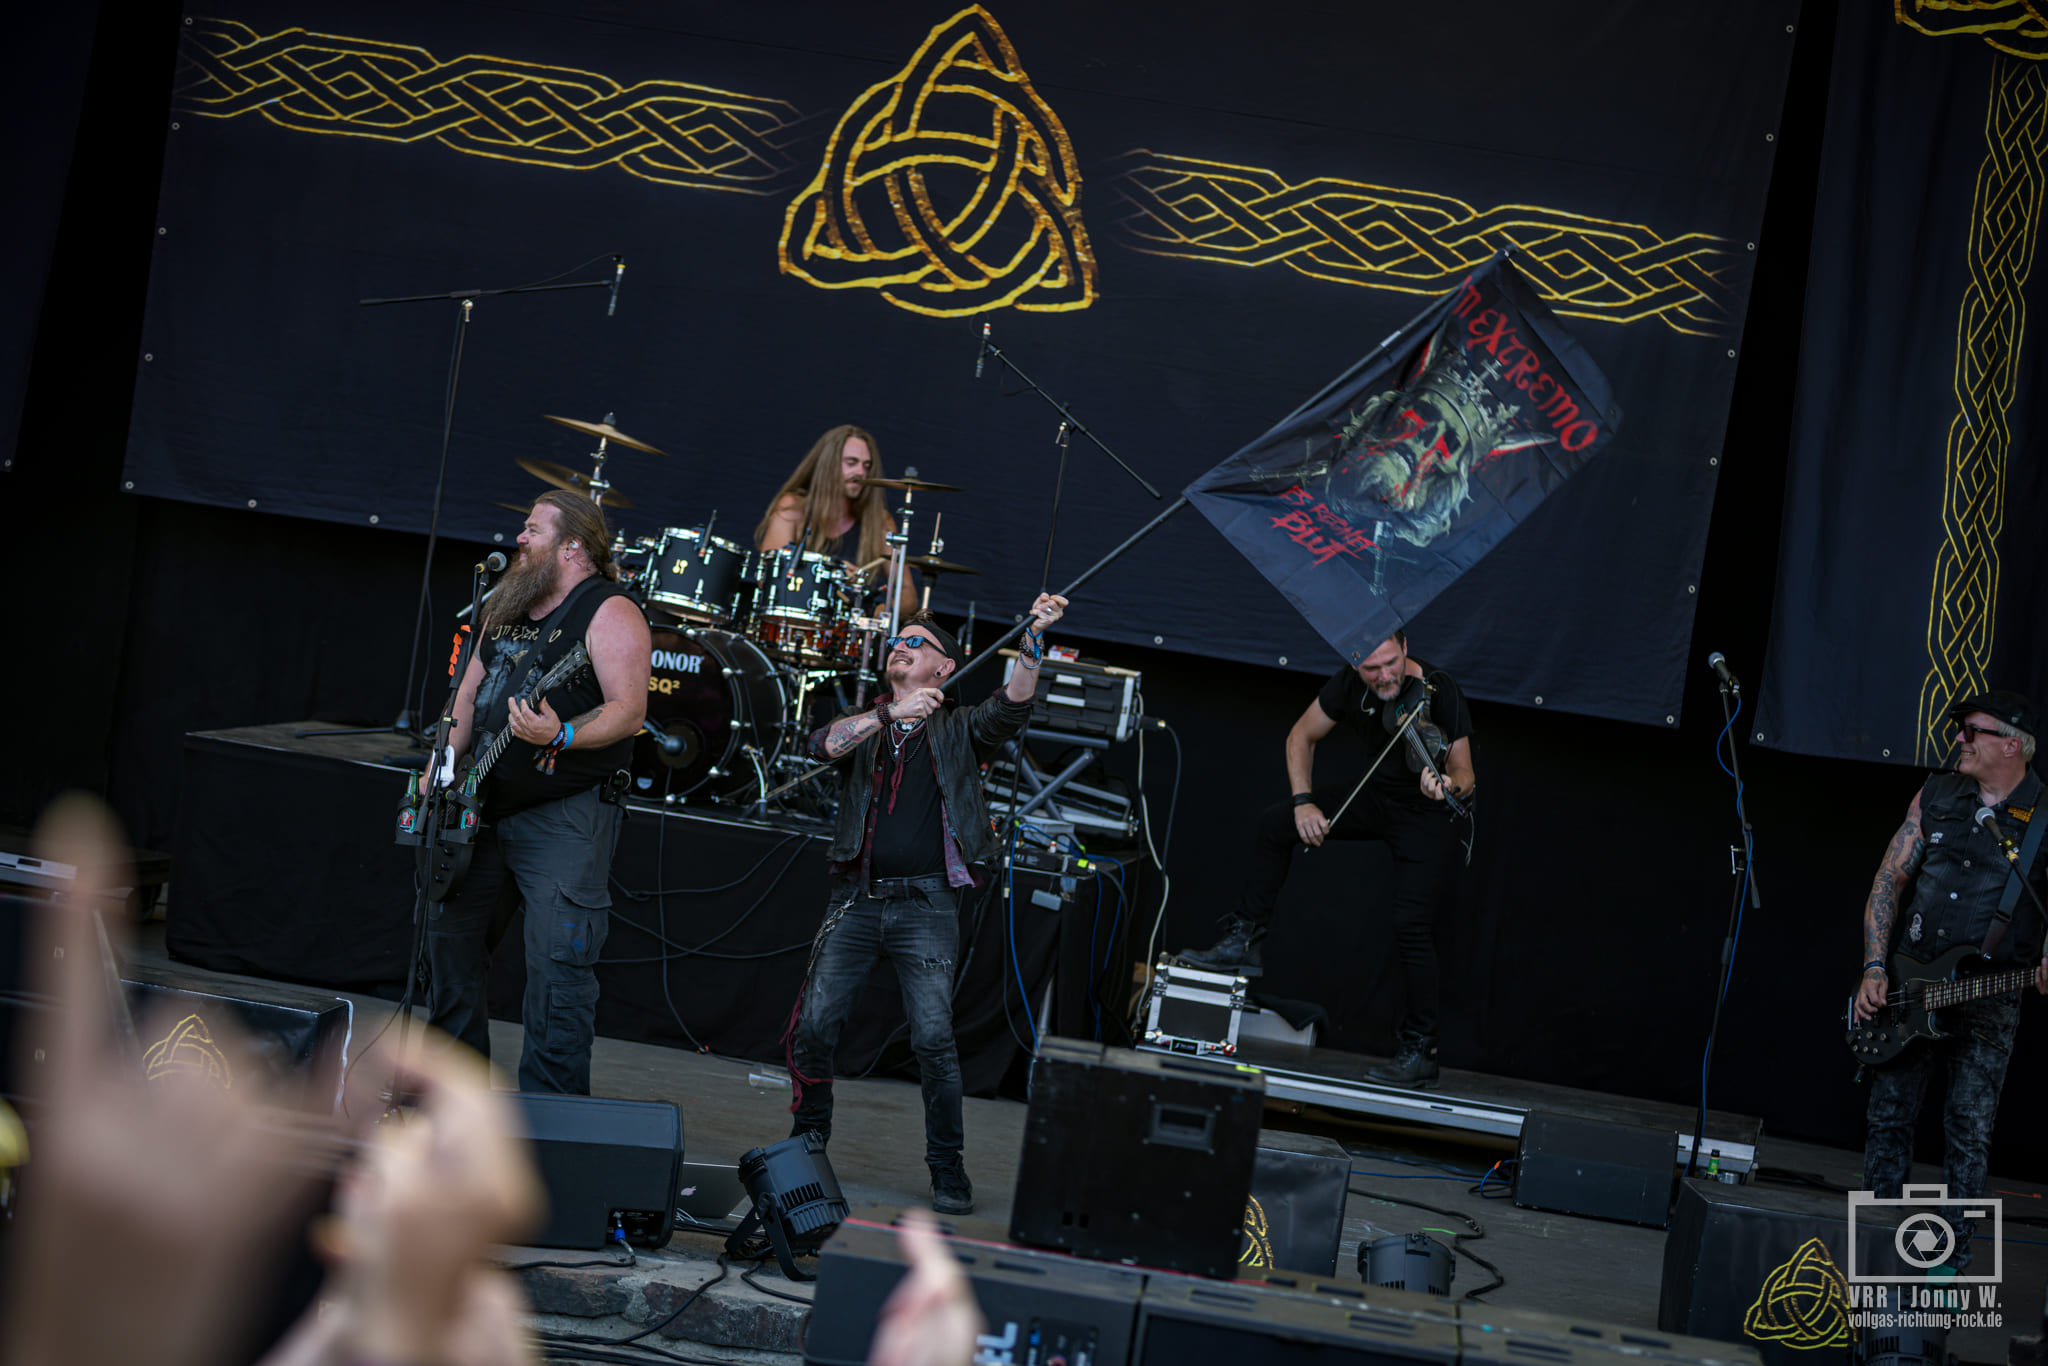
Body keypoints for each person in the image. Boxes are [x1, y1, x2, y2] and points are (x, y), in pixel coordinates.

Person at [786, 593, 1068, 1215]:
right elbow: (820, 746)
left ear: (944, 668)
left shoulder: (959, 727)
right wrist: (891, 713)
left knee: (935, 1039)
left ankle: (947, 1166)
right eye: (898, 640)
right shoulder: (868, 722)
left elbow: (1013, 704)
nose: (900, 647)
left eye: (916, 643)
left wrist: (1033, 639)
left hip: (926, 906)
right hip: (856, 901)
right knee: (814, 1026)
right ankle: (806, 1147)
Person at [422, 490, 652, 1094]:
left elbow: (628, 710)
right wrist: (441, 761)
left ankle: (552, 1122)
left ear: (572, 546)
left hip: (563, 815)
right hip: (478, 805)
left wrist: (563, 733)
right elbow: (465, 694)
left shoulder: (608, 610)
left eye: (532, 530)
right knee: (449, 950)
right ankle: (453, 1105)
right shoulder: (506, 603)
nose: (519, 539)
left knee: (557, 971)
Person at [1177, 630, 1473, 1086]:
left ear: (1405, 648)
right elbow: (1301, 735)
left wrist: (1448, 786)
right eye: (1372, 668)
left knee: (1410, 926)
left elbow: (1464, 771)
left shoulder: (1439, 688)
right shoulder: (1348, 683)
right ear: (1355, 663)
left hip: (1427, 817)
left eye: (1391, 663)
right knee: (1276, 823)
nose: (1385, 676)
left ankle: (1421, 1049)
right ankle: (1245, 941)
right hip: (1378, 798)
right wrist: (1303, 802)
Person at [1851, 690, 2048, 1269]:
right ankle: (1873, 1250)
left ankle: (1950, 1265)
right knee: (1888, 1116)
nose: (1960, 739)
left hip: (1989, 993)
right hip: (1909, 982)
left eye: (1972, 730)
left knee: (1968, 1127)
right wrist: (1874, 966)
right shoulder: (1936, 794)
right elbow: (1888, 879)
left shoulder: (2044, 815)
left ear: (2011, 745)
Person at [755, 423, 918, 620]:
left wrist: (873, 612)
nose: (861, 472)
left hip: (847, 631)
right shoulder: (793, 508)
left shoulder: (880, 521)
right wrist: (833, 576)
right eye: (851, 463)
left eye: (866, 466)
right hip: (790, 624)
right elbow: (767, 578)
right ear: (829, 465)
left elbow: (908, 596)